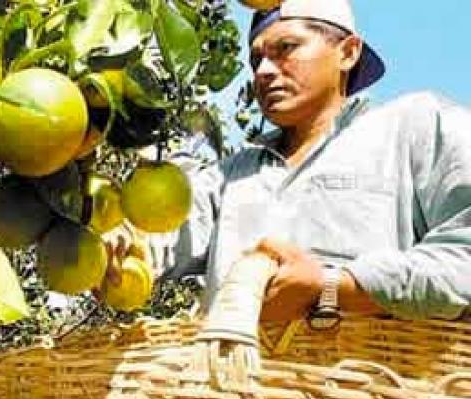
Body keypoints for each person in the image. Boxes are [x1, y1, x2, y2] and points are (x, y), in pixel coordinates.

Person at [137, 0, 471, 327]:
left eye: (286, 48)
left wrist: (335, 287)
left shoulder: (415, 127)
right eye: (256, 61)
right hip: (235, 378)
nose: (263, 72)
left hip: (371, 377)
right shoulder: (229, 177)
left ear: (348, 52)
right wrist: (117, 246)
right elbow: (156, 241)